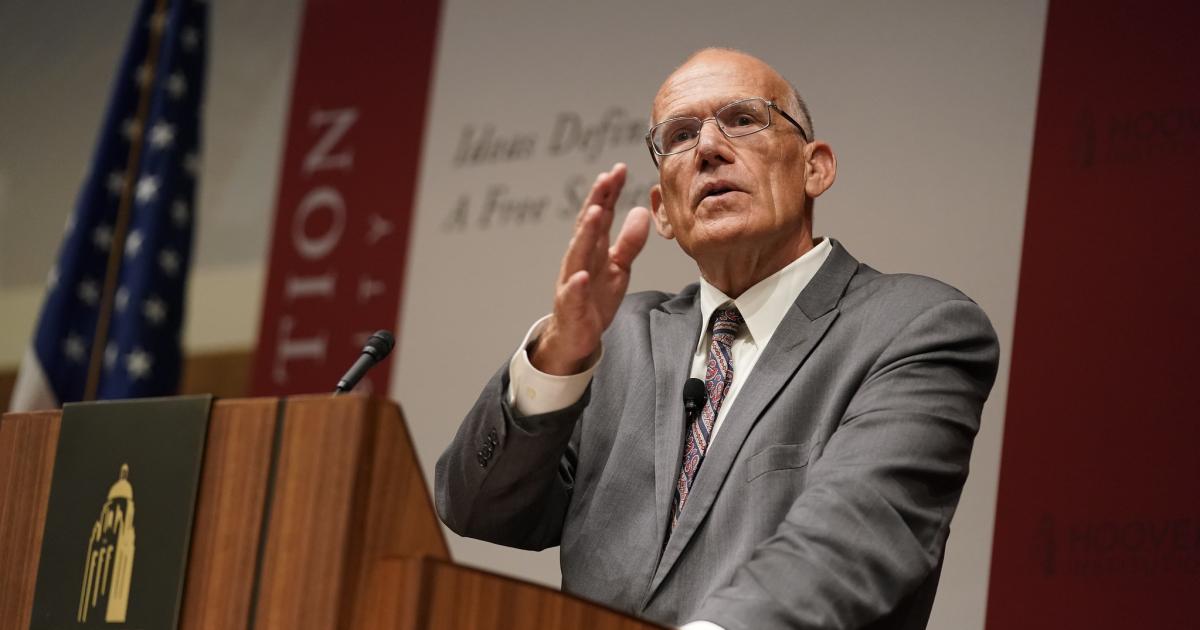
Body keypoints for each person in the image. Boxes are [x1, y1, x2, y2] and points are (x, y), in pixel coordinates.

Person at [435, 48, 999, 630]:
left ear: (815, 168)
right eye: (680, 135)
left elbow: (855, 538)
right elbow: (478, 509)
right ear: (663, 211)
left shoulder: (915, 326)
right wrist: (559, 353)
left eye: (743, 119)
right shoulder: (615, 341)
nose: (708, 147)